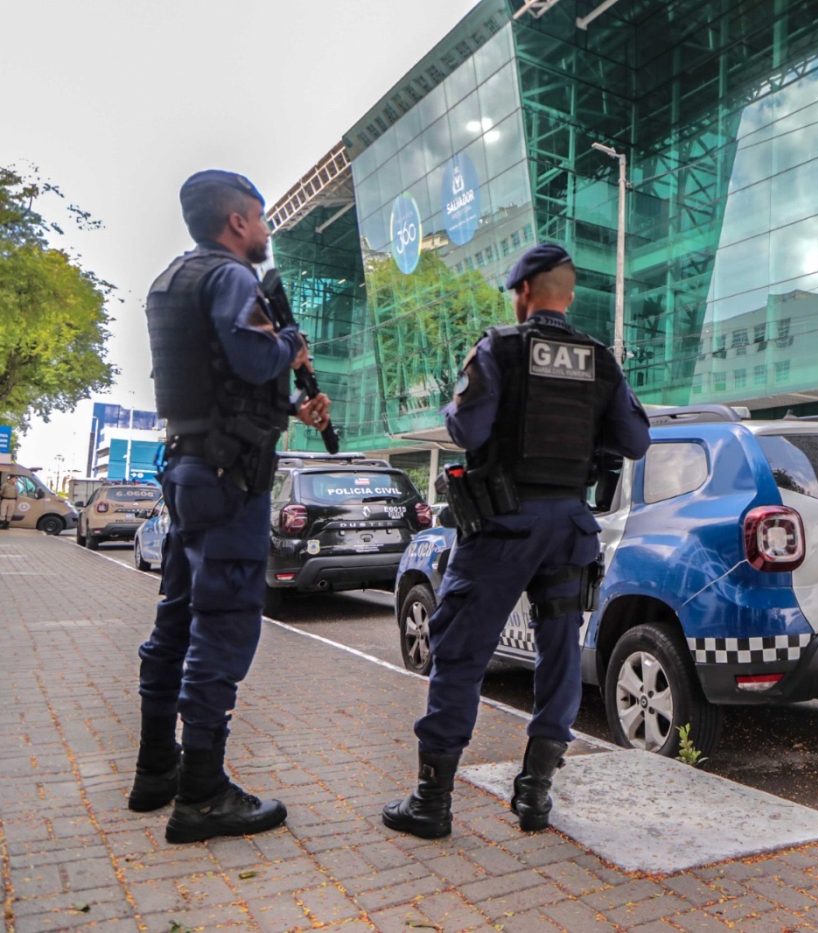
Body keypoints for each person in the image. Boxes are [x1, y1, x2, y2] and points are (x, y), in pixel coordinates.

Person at [383, 243, 651, 839]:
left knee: (460, 654)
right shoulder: (600, 360)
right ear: (570, 294)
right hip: (567, 529)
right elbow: (635, 441)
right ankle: (535, 795)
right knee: (558, 657)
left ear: (523, 291)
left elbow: (466, 427)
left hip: (502, 526)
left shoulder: (499, 348)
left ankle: (433, 802)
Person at [129, 170, 332, 844]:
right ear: (239, 221)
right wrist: (290, 346)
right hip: (229, 482)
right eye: (263, 219)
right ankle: (203, 793)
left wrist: (292, 405)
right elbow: (251, 356)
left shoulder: (172, 280)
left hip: (190, 469)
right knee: (223, 627)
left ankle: (158, 767)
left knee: (178, 617)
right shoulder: (234, 278)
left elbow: (222, 379)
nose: (267, 231)